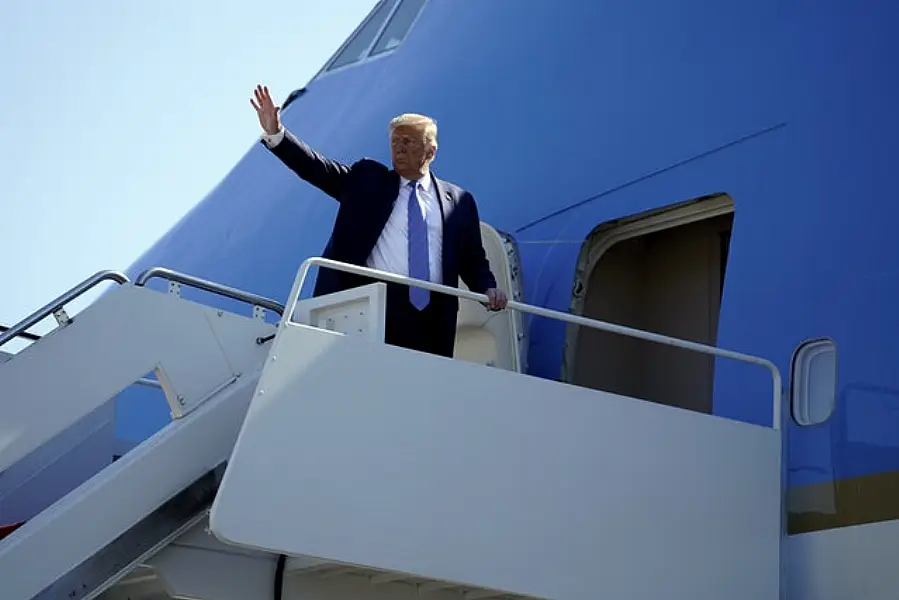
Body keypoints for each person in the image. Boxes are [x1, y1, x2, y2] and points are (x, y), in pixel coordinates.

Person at [250, 84, 508, 358]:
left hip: (432, 315)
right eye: (395, 141)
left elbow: (472, 257)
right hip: (371, 303)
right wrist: (277, 134)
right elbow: (317, 168)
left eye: (408, 141)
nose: (399, 147)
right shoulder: (367, 180)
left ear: (430, 151)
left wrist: (487, 288)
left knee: (421, 389)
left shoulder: (458, 200)